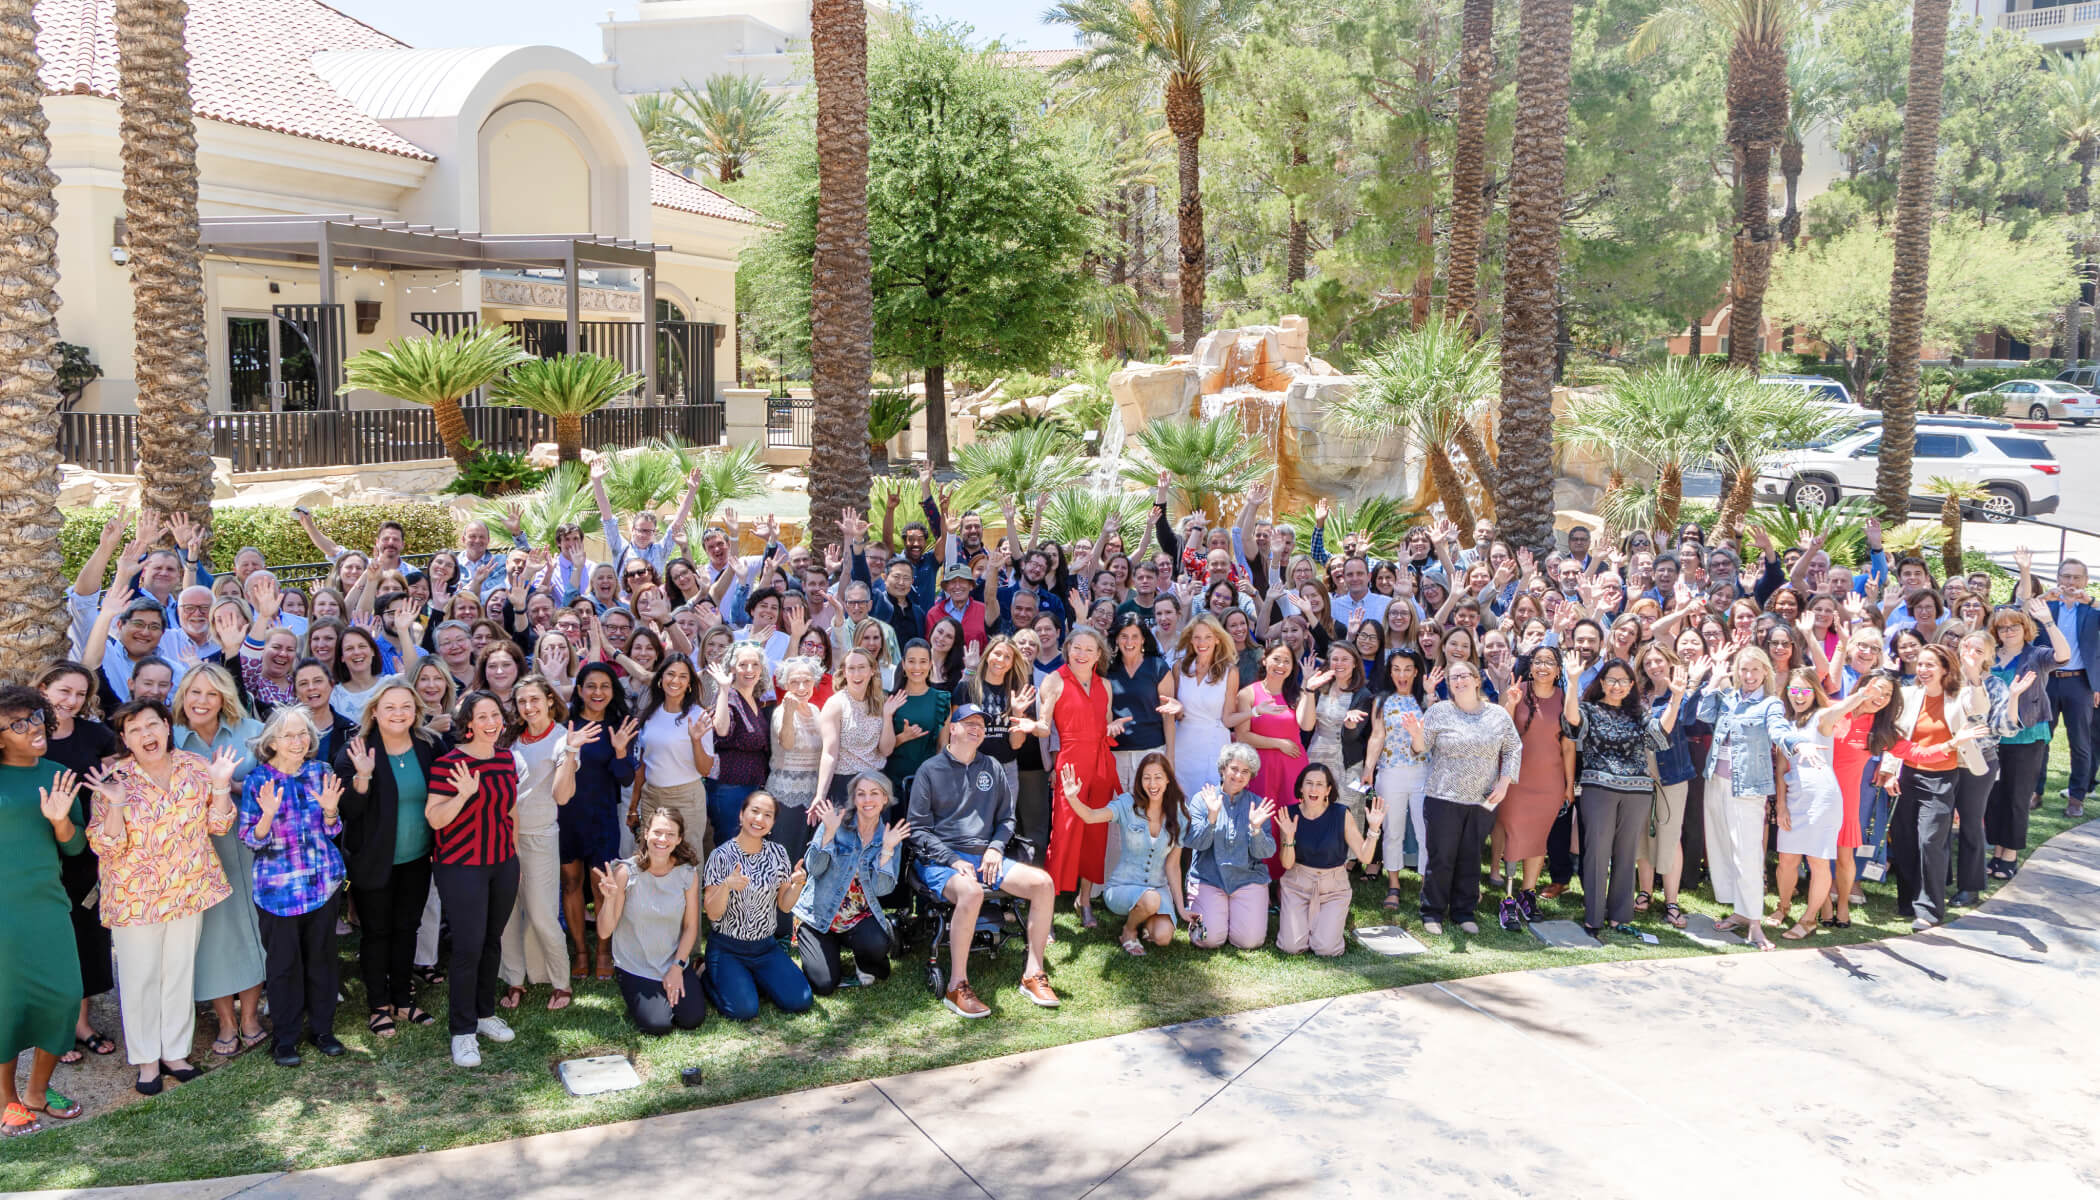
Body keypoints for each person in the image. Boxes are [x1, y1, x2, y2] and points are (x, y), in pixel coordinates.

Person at [85, 701, 240, 1094]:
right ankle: (146, 1061)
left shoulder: (194, 766)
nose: (146, 736)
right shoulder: (114, 778)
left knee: (178, 972)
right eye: (134, 730)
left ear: (167, 727)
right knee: (140, 978)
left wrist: (220, 783)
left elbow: (219, 825)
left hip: (187, 889)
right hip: (134, 897)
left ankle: (174, 1053)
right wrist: (116, 803)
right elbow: (105, 845)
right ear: (124, 739)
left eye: (152, 725)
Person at [910, 705, 1061, 1016]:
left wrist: (994, 848)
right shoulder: (930, 770)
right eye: (969, 722)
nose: (976, 728)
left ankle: (1033, 973)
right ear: (952, 728)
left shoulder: (991, 766)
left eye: (981, 723)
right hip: (941, 860)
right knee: (971, 892)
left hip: (986, 857)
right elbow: (918, 830)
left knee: (1043, 883)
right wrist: (951, 859)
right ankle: (957, 985)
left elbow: (1007, 819)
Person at [238, 706, 348, 1066]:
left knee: (322, 961)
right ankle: (285, 1039)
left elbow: (332, 832)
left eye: (304, 734)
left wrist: (331, 811)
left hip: (321, 885)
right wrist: (267, 815)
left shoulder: (322, 773)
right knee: (284, 966)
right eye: (289, 735)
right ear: (272, 742)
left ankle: (322, 1030)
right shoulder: (258, 780)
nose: (299, 741)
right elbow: (251, 840)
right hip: (277, 892)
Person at [0, 686, 89, 1135]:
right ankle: (8, 1100)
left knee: (63, 996)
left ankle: (38, 1090)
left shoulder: (58, 773)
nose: (33, 726)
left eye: (35, 716)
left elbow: (75, 846)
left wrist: (59, 819)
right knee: (6, 1005)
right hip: (3, 913)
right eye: (17, 724)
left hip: (48, 906)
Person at [170, 665, 268, 1060]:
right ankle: (225, 1020)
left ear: (224, 697)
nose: (201, 701)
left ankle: (250, 1017)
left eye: (211, 694)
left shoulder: (250, 731)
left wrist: (228, 785)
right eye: (194, 692)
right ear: (183, 696)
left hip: (251, 844)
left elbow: (272, 783)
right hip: (197, 851)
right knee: (212, 937)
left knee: (253, 929)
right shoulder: (171, 738)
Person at [335, 683, 441, 1037]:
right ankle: (378, 1005)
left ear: (416, 710)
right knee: (377, 933)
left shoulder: (429, 746)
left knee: (407, 928)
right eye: (390, 707)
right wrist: (363, 776)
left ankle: (403, 999)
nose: (399, 713)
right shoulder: (355, 749)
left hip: (417, 857)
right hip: (373, 860)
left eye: (406, 707)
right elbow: (347, 811)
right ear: (375, 711)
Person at [1695, 646, 1818, 950]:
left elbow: (1779, 731)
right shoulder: (1729, 698)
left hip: (1748, 788)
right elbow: (1702, 714)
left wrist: (1799, 744)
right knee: (1722, 846)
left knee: (1747, 854)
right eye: (1744, 670)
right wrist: (1715, 681)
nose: (1749, 676)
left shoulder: (1770, 704)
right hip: (1716, 782)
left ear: (1766, 672)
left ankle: (1754, 923)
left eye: (1755, 670)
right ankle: (1739, 911)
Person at [425, 692, 523, 1067]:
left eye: (495, 715)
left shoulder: (505, 758)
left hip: (501, 863)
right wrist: (463, 795)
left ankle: (484, 1014)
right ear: (468, 723)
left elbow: (509, 810)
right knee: (467, 947)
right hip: (460, 865)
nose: (490, 722)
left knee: (491, 941)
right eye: (481, 716)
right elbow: (435, 819)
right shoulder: (449, 763)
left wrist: (511, 856)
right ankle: (462, 1032)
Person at [1401, 660, 1522, 936]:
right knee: (1441, 857)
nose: (1459, 681)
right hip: (1443, 797)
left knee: (1470, 857)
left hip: (1482, 800)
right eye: (1453, 678)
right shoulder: (1438, 712)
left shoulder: (1497, 714)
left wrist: (1504, 783)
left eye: (1464, 675)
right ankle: (1432, 912)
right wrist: (1416, 735)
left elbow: (1514, 747)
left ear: (1477, 680)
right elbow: (1420, 749)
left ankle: (1463, 912)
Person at [36, 663, 119, 1063]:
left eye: (80, 695)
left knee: (85, 936)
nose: (71, 701)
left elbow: (117, 777)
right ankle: (52, 1025)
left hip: (85, 851)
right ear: (43, 689)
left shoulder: (96, 735)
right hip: (37, 852)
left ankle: (81, 1023)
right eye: (63, 691)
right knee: (47, 941)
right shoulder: (25, 737)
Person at [1879, 644, 1989, 931]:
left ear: (1945, 669)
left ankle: (1929, 910)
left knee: (1929, 841)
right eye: (1920, 664)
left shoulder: (1960, 696)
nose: (1923, 670)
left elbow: (1980, 708)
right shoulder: (1908, 695)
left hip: (1942, 778)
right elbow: (1896, 735)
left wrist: (1974, 673)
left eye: (1930, 665)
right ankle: (1909, 901)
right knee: (1903, 839)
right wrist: (1890, 771)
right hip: (1907, 775)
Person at [1562, 658, 1675, 939]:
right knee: (1597, 853)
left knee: (1626, 855)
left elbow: (1660, 736)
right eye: (1611, 680)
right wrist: (1573, 681)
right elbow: (1571, 722)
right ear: (1601, 682)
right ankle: (1593, 917)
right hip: (1598, 789)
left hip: (1637, 792)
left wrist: (1679, 697)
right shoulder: (1589, 708)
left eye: (1623, 681)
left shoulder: (1640, 713)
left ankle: (1619, 916)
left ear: (1631, 685)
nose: (1617, 686)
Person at [498, 677, 588, 1012]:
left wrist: (570, 751)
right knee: (507, 912)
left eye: (535, 699)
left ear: (550, 700)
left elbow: (563, 795)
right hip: (503, 835)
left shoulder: (561, 738)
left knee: (541, 913)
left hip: (539, 836)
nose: (529, 707)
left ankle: (560, 981)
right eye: (522, 701)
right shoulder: (509, 738)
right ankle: (515, 977)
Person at [1059, 751, 1190, 954]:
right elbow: (1091, 816)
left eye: (1158, 777)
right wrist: (1072, 798)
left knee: (1163, 937)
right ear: (1140, 781)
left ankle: (1144, 918)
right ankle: (1129, 931)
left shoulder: (1179, 813)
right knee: (1151, 899)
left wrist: (1181, 909)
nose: (1152, 784)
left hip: (1157, 888)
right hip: (1123, 887)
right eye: (1147, 778)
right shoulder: (1127, 804)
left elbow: (1173, 866)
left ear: (1168, 781)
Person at [701, 791, 814, 1020]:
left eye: (767, 815)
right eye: (754, 811)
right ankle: (706, 975)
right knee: (744, 1011)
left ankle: (749, 979)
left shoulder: (778, 853)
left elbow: (784, 905)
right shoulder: (720, 856)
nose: (759, 819)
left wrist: (798, 884)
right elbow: (712, 913)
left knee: (800, 1000)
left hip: (765, 948)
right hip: (728, 948)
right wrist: (726, 885)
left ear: (772, 824)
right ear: (742, 815)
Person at [594, 807, 707, 1036]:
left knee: (692, 1018)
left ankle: (694, 971)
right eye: (657, 832)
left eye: (670, 834)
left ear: (679, 839)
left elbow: (691, 927)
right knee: (658, 1024)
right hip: (636, 964)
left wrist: (677, 967)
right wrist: (609, 900)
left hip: (672, 959)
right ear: (646, 834)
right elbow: (605, 932)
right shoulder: (626, 872)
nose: (662, 839)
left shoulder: (687, 873)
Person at [794, 774, 910, 993]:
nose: (867, 800)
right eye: (861, 794)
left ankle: (862, 958)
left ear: (885, 798)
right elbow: (814, 869)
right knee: (824, 985)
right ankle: (826, 949)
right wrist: (828, 832)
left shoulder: (889, 836)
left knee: (877, 944)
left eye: (874, 793)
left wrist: (887, 850)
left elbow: (881, 890)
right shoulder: (835, 823)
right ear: (853, 799)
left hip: (856, 917)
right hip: (818, 916)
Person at [1038, 625, 1119, 924]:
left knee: (1096, 835)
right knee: (1064, 835)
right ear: (1067, 650)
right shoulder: (1054, 680)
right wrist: (1030, 725)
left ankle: (1084, 900)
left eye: (1089, 649)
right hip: (1071, 765)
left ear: (1099, 654)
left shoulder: (1106, 685)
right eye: (1077, 648)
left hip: (1101, 765)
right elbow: (1045, 727)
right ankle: (1046, 910)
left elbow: (1106, 722)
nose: (1082, 654)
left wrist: (1111, 728)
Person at [563, 663, 639, 981]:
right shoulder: (566, 724)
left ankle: (604, 951)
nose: (597, 692)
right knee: (571, 884)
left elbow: (625, 779)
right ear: (579, 690)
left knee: (602, 887)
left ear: (613, 690)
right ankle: (581, 950)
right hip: (566, 816)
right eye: (590, 686)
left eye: (604, 686)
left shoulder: (619, 725)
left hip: (603, 817)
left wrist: (620, 751)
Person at [1274, 763, 1386, 957]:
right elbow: (1287, 864)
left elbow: (1365, 856)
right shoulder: (1290, 814)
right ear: (1300, 787)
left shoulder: (1341, 814)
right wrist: (1290, 838)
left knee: (1326, 949)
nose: (1313, 789)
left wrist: (1374, 829)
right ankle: (1308, 923)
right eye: (1309, 783)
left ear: (1328, 790)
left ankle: (1322, 924)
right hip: (1297, 885)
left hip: (1333, 889)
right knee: (1291, 947)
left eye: (1319, 784)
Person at [1987, 595, 2063, 880]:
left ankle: (2010, 854)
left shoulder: (2036, 655)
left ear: (2024, 628)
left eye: (2014, 627)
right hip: (1994, 737)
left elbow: (2063, 656)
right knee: (1996, 796)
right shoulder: (1990, 655)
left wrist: (2049, 622)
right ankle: (1997, 851)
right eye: (2002, 628)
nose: (2008, 632)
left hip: (2027, 736)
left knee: (2017, 797)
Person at [1766, 669, 1842, 941]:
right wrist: (1782, 805)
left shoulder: (1822, 718)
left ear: (1815, 693)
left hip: (1822, 800)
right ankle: (1783, 907)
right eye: (1793, 690)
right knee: (1786, 859)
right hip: (1794, 800)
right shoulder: (1784, 724)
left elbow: (1839, 709)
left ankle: (1809, 919)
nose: (1799, 696)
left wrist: (1861, 696)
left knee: (1818, 861)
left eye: (1805, 690)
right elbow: (1781, 769)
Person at [1497, 645, 1571, 915]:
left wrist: (1569, 785)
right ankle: (1507, 896)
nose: (1543, 667)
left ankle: (1527, 894)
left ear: (1558, 670)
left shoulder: (1565, 698)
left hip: (1550, 780)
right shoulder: (1516, 690)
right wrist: (1512, 704)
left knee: (1539, 838)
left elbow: (1568, 745)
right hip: (1515, 778)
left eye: (1549, 662)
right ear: (1530, 666)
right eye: (1538, 661)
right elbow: (1500, 731)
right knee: (1514, 834)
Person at [1182, 743, 1278, 949]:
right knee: (1207, 939)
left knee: (1250, 941)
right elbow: (1193, 842)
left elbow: (1267, 852)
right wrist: (1212, 818)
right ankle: (1215, 915)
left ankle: (1231, 916)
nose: (1238, 776)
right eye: (1234, 768)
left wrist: (1256, 829)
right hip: (1209, 878)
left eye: (1245, 771)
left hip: (1248, 879)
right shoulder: (1202, 799)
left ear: (1251, 776)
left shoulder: (1257, 804)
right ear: (1223, 768)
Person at [1361, 648, 1430, 911]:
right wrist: (1369, 767)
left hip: (1423, 772)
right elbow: (1377, 735)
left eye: (1407, 669)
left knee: (1425, 831)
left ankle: (1427, 883)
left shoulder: (1424, 699)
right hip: (1390, 772)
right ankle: (1393, 884)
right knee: (1392, 831)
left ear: (1416, 671)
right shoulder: (1382, 700)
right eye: (1397, 669)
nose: (1402, 674)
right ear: (1390, 672)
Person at [1636, 645, 1698, 929]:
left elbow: (1681, 722)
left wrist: (1679, 693)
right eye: (1648, 662)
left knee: (1669, 836)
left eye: (1658, 660)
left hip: (1671, 774)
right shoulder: (1636, 695)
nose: (1653, 666)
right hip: (1639, 776)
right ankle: (1645, 892)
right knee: (1642, 836)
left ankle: (1672, 902)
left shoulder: (1680, 692)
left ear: (1669, 662)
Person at [635, 659, 711, 862]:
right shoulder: (650, 713)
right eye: (670, 674)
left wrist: (696, 741)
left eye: (683, 676)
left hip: (686, 798)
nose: (675, 680)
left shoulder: (698, 715)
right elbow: (644, 763)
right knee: (649, 859)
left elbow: (705, 770)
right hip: (651, 796)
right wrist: (633, 806)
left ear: (689, 684)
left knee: (689, 859)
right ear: (660, 679)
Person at [1159, 613, 1239, 797]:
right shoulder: (1179, 667)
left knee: (1211, 806)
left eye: (1208, 637)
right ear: (1190, 640)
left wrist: (1255, 712)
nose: (1202, 642)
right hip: (1182, 747)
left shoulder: (1230, 672)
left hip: (1214, 746)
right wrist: (1178, 709)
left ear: (1218, 639)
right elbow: (1175, 712)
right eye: (1197, 637)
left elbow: (1228, 719)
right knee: (1181, 806)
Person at [706, 642, 772, 848]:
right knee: (729, 849)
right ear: (732, 668)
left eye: (755, 664)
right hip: (730, 788)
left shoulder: (755, 699)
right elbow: (722, 731)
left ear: (761, 669)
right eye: (743, 664)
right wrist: (724, 690)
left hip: (752, 787)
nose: (749, 670)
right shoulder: (728, 696)